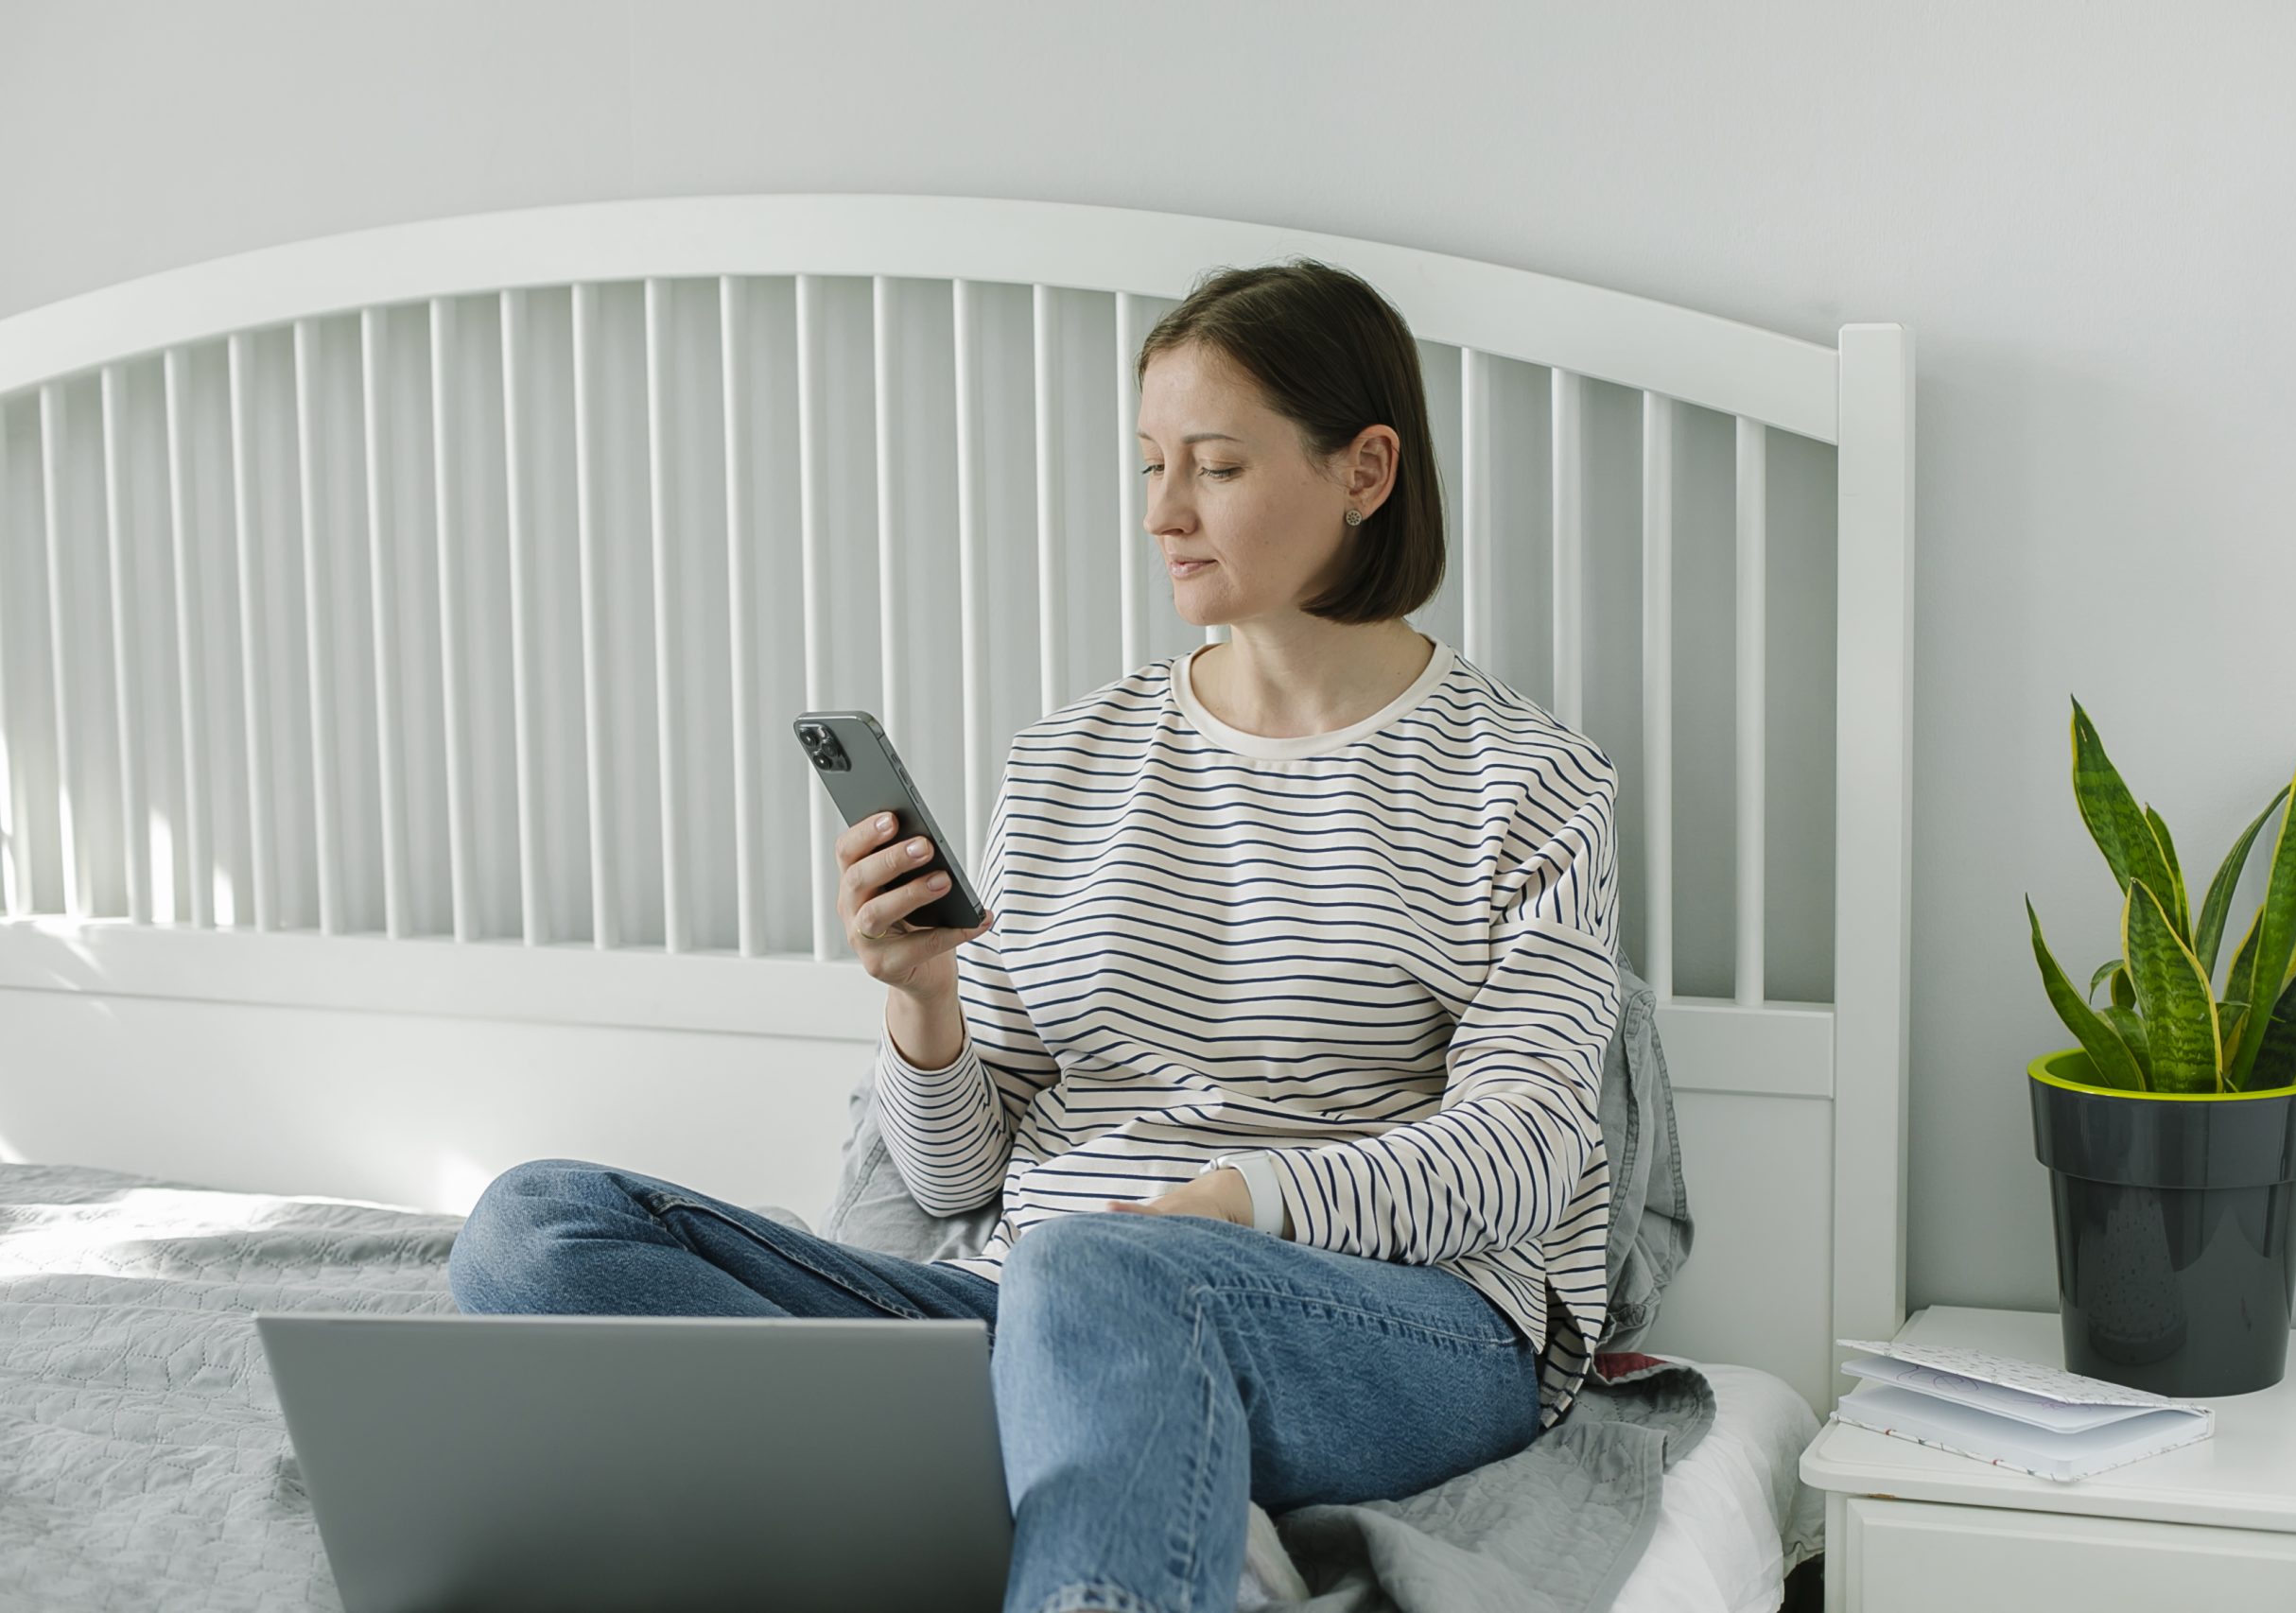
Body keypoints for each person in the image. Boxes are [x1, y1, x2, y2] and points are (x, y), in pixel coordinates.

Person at [446, 258, 1626, 1613]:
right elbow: (957, 1175)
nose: (1163, 513)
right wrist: (923, 999)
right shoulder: (1069, 758)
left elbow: (1522, 1154)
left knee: (1094, 1268)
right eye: (1151, 465)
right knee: (532, 1228)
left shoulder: (1529, 779)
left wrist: (1234, 1203)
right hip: (1036, 1306)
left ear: (1364, 470)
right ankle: (1053, 1458)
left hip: (1384, 1318)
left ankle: (985, 1500)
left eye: (1216, 467)